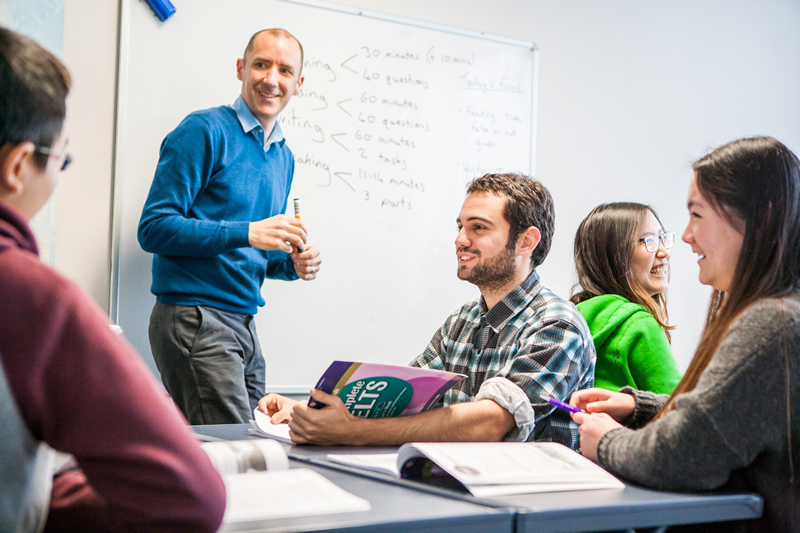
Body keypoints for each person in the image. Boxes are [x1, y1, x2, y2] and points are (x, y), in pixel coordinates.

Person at [0, 27, 225, 532]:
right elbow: (190, 500)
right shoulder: (32, 298)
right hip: (194, 321)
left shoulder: (282, 156)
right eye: (63, 159)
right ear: (17, 166)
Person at [259, 173, 596, 448]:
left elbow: (491, 422)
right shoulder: (462, 322)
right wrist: (311, 410)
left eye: (478, 227)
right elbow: (399, 399)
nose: (460, 239)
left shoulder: (556, 323)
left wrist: (351, 431)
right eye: (460, 226)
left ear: (526, 241)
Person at [571, 137, 800, 532]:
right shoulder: (777, 315)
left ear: (758, 217)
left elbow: (685, 453)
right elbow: (719, 421)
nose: (685, 237)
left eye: (697, 215)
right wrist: (639, 407)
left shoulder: (771, 324)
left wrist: (607, 441)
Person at [138, 28, 322, 425]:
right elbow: (153, 228)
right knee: (238, 453)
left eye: (285, 70)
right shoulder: (204, 130)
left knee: (259, 446)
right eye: (261, 64)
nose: (272, 79)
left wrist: (291, 264)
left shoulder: (282, 156)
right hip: (196, 318)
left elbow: (255, 252)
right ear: (241, 68)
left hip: (244, 325)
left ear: (298, 84)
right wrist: (248, 231)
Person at [570, 202, 682, 394]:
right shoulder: (639, 325)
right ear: (612, 255)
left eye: (662, 238)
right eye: (648, 241)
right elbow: (679, 412)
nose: (664, 252)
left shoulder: (570, 318)